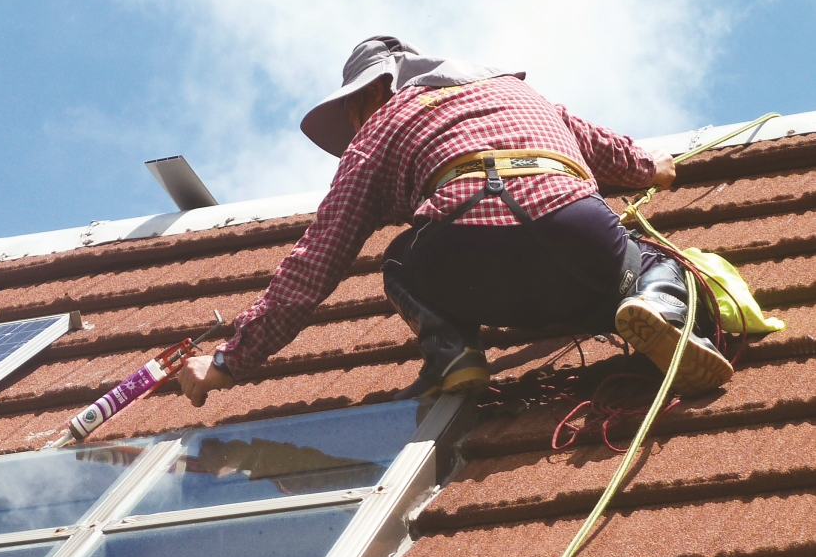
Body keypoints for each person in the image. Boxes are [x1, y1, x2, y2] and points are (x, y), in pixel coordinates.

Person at [178, 36, 734, 407]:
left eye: (352, 109)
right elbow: (610, 153)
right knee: (653, 261)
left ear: (378, 89)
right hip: (573, 230)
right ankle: (658, 306)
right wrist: (653, 169)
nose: (352, 126)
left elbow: (316, 259)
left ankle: (458, 359)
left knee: (399, 260)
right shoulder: (516, 91)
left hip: (460, 251)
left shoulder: (379, 127)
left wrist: (231, 359)